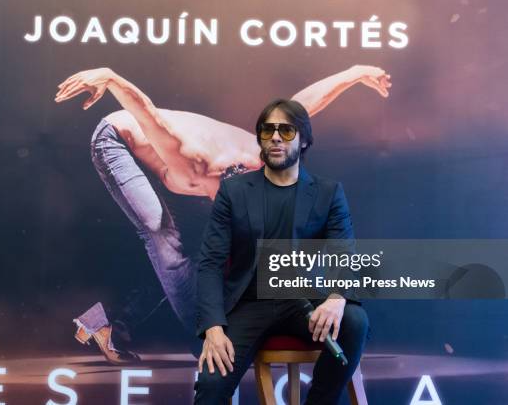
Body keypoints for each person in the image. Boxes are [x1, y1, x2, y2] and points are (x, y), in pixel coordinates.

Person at [54, 66, 388, 364]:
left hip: (178, 161)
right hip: (118, 138)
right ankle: (194, 330)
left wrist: (352, 74)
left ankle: (110, 321)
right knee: (161, 234)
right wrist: (111, 77)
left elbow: (299, 108)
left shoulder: (262, 156)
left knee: (206, 253)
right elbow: (148, 114)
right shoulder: (190, 160)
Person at [193, 99, 369, 405]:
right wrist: (213, 327)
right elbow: (210, 263)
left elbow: (345, 253)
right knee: (210, 386)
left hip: (304, 301)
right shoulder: (233, 192)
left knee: (354, 320)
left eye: (286, 130)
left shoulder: (328, 193)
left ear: (304, 141)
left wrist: (338, 298)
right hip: (248, 304)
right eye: (268, 130)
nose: (275, 137)